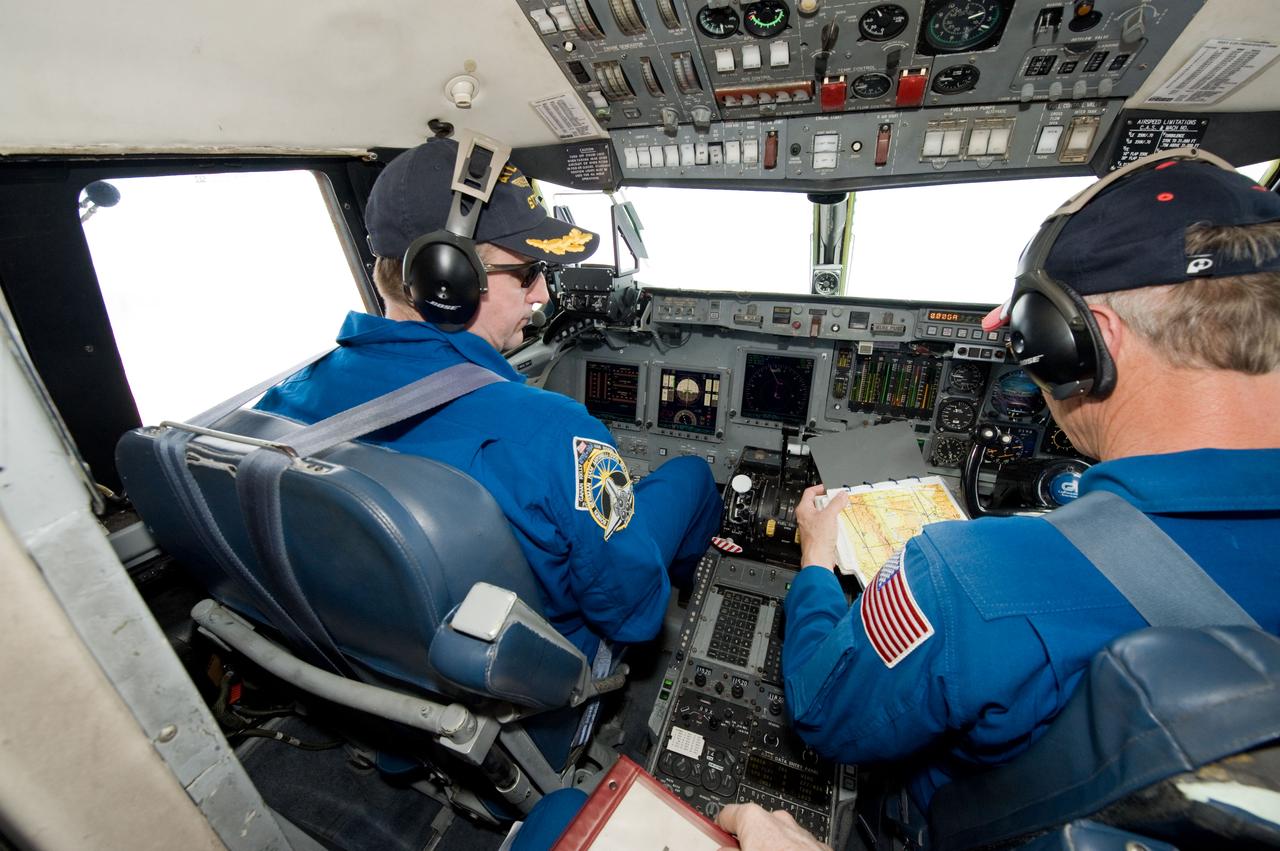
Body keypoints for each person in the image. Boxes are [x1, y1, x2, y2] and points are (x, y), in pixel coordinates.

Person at [717, 151, 1280, 848]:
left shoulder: (973, 575)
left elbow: (822, 703)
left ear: (1079, 344)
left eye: (1028, 340)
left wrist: (814, 558)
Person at [257, 137, 721, 661]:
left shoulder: (284, 400)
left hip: (372, 652)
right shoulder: (555, 432)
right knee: (691, 476)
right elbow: (631, 615)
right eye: (527, 273)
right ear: (447, 280)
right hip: (529, 668)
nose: (543, 293)